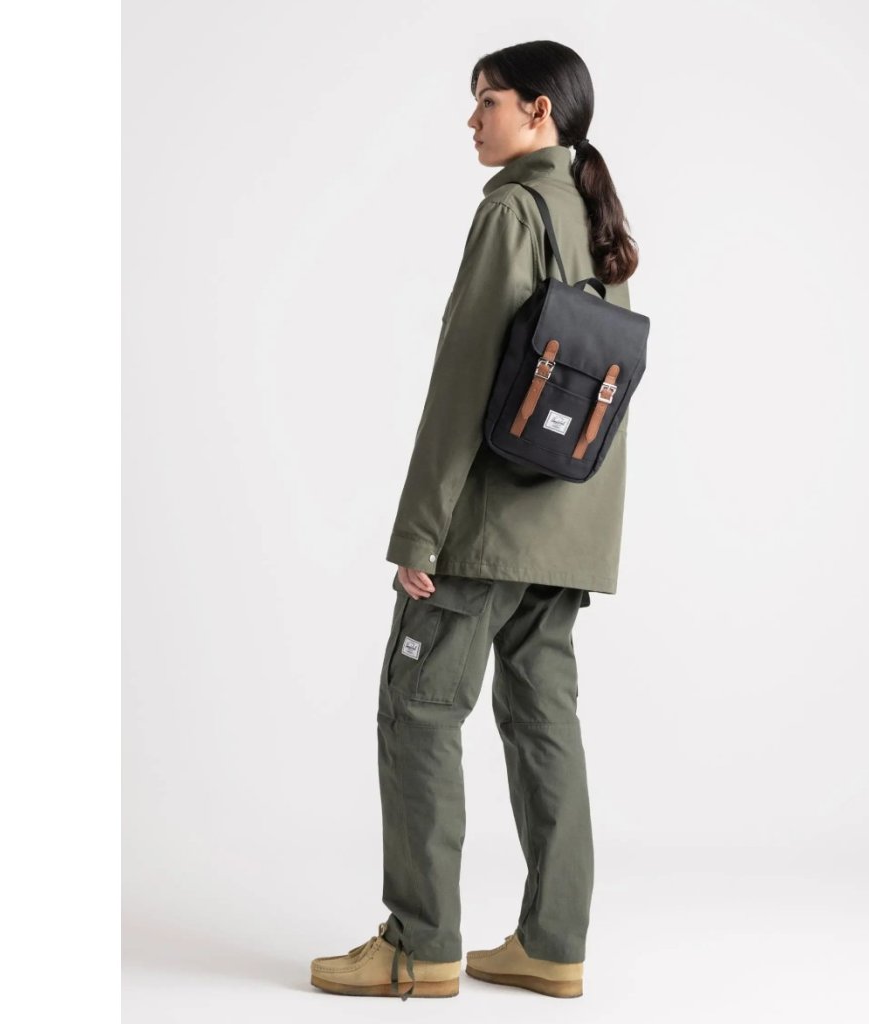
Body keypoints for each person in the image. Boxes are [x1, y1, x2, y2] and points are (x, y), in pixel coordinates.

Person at [310, 39, 640, 1000]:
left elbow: (463, 382)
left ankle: (420, 945)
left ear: (539, 110)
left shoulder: (513, 209)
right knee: (544, 722)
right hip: (567, 528)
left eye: (487, 100)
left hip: (488, 525)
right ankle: (553, 944)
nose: (472, 119)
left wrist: (420, 531)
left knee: (417, 709)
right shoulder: (596, 216)